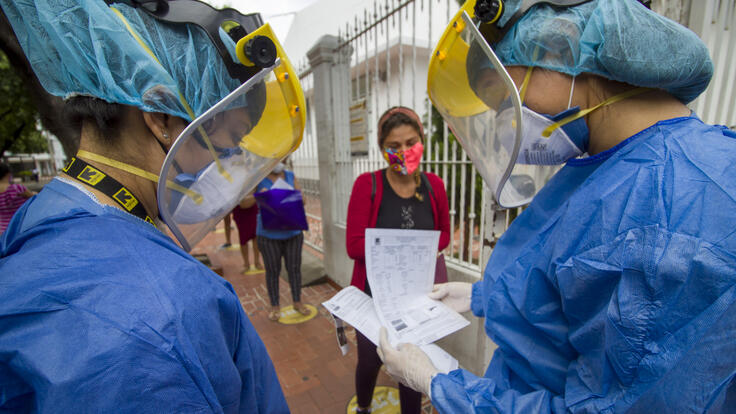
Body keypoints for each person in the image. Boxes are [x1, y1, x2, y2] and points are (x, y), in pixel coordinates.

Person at [376, 0, 736, 413]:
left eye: (506, 100)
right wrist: (480, 296)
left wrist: (440, 385)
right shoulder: (605, 165)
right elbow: (565, 290)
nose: (509, 122)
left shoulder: (674, 212)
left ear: (557, 48)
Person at [0, 0, 306, 411]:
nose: (224, 166)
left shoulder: (43, 214)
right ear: (161, 117)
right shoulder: (166, 315)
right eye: (226, 144)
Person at [346, 107, 451, 414]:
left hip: (415, 296)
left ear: (422, 142)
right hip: (372, 296)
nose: (404, 151)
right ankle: (364, 407)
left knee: (410, 367)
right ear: (382, 150)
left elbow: (443, 235)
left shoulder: (435, 186)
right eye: (394, 146)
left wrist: (416, 248)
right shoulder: (368, 185)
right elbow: (353, 245)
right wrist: (406, 249)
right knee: (369, 361)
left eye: (411, 142)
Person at [245, 162, 310, 321]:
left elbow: (304, 200)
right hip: (268, 236)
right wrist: (259, 196)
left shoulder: (290, 176)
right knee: (272, 271)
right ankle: (274, 305)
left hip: (293, 232)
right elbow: (243, 203)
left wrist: (297, 196)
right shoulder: (257, 178)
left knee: (294, 269)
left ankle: (297, 301)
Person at [0, 162, 35, 234]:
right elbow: (34, 197)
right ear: (8, 174)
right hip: (19, 228)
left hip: (2, 230)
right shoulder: (16, 188)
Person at [232, 201, 263, 272]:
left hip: (252, 208)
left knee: (255, 236)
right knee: (243, 237)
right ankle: (246, 263)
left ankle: (257, 261)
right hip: (240, 210)